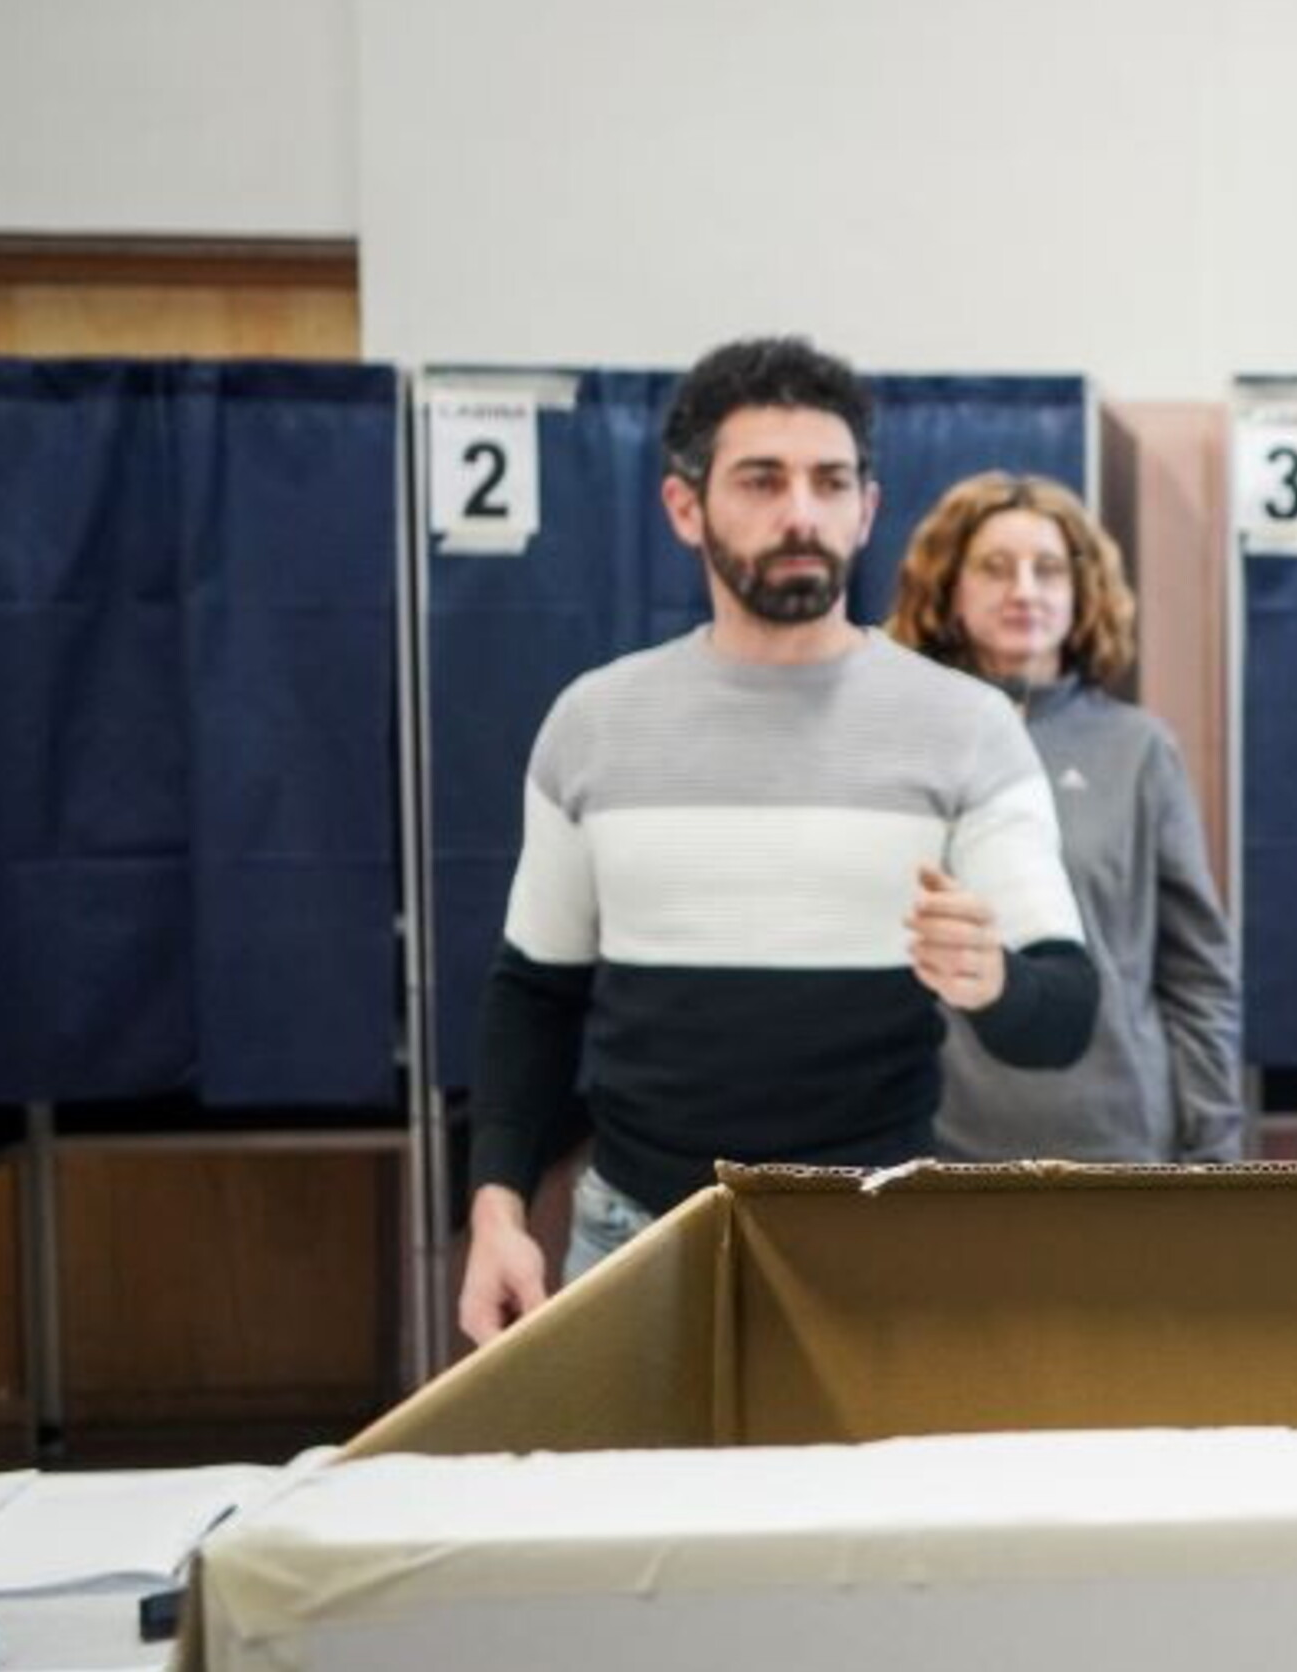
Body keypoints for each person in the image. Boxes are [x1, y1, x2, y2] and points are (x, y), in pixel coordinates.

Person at [457, 338, 1100, 1344]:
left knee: (878, 1511)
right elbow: (536, 993)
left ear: (867, 509)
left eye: (829, 482)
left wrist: (994, 980)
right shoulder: (594, 723)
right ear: (686, 506)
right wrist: (496, 1209)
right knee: (631, 1508)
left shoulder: (966, 726)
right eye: (763, 480)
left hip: (878, 1246)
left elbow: (1063, 1010)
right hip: (634, 1244)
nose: (801, 511)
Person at [888, 472, 1241, 1164]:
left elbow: (1198, 971)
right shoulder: (907, 743)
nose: (1024, 589)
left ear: (1081, 594)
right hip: (940, 1150)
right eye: (994, 568)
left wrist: (1216, 1142)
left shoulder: (1139, 749)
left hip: (1118, 1142)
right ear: (948, 590)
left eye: (1047, 570)